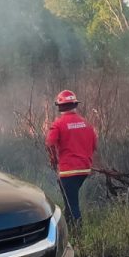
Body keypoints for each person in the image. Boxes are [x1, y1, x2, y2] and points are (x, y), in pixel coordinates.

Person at [45, 90, 97, 223]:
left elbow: (49, 143)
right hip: (84, 169)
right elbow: (94, 145)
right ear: (75, 105)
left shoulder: (58, 124)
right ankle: (68, 227)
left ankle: (78, 231)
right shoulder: (86, 123)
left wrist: (53, 160)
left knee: (72, 204)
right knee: (69, 201)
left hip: (68, 171)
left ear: (60, 106)